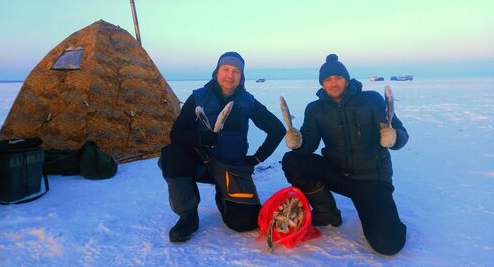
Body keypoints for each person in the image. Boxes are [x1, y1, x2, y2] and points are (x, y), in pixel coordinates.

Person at [282, 54, 408, 255]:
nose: (333, 84)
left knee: (388, 244)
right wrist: (298, 143)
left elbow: (401, 132)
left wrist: (394, 137)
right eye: (327, 80)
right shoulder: (315, 109)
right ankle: (327, 213)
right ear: (322, 84)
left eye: (338, 78)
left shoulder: (371, 101)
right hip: (338, 174)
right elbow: (309, 144)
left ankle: (385, 216)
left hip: (371, 180)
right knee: (293, 160)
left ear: (347, 79)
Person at [159, 51, 286, 243]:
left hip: (230, 167)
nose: (230, 75)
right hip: (201, 162)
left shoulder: (248, 102)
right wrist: (201, 139)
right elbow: (177, 133)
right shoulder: (198, 97)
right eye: (225, 69)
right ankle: (188, 216)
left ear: (241, 76)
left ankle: (224, 194)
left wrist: (257, 158)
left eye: (236, 71)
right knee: (172, 154)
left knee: (244, 223)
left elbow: (277, 129)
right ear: (216, 72)